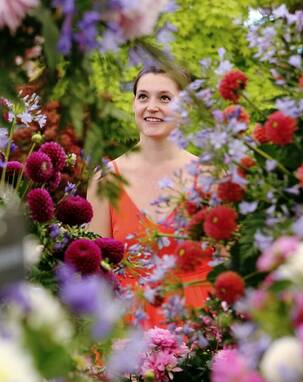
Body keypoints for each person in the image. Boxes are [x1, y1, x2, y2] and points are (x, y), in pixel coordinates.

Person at [87, 64, 212, 329]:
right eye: (143, 97)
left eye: (164, 98)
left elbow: (226, 263)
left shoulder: (209, 177)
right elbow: (96, 273)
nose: (151, 106)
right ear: (133, 104)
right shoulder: (105, 180)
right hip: (127, 329)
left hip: (197, 326)